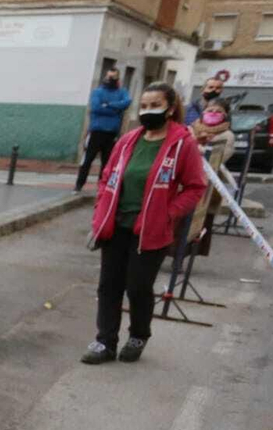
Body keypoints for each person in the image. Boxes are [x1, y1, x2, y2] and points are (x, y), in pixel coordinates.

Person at [82, 81, 207, 365]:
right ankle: (105, 342)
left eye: (155, 105)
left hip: (151, 230)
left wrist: (169, 212)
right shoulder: (128, 141)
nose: (148, 111)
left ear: (170, 108)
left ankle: (138, 335)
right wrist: (100, 210)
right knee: (109, 286)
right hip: (116, 226)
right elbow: (107, 178)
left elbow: (195, 187)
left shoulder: (181, 144)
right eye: (144, 106)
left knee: (138, 286)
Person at [75, 67, 131, 191]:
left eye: (113, 77)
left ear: (117, 78)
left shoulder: (122, 92)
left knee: (107, 162)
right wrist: (116, 109)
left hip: (112, 133)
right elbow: (96, 108)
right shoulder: (98, 92)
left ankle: (102, 187)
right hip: (96, 131)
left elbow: (127, 102)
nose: (110, 79)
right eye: (108, 77)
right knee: (87, 159)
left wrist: (108, 105)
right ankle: (79, 185)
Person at [188, 97, 234, 245]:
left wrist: (198, 148)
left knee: (200, 222)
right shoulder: (191, 129)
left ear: (225, 115)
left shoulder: (227, 135)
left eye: (218, 111)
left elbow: (219, 157)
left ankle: (190, 253)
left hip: (208, 185)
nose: (213, 113)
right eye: (210, 110)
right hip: (186, 180)